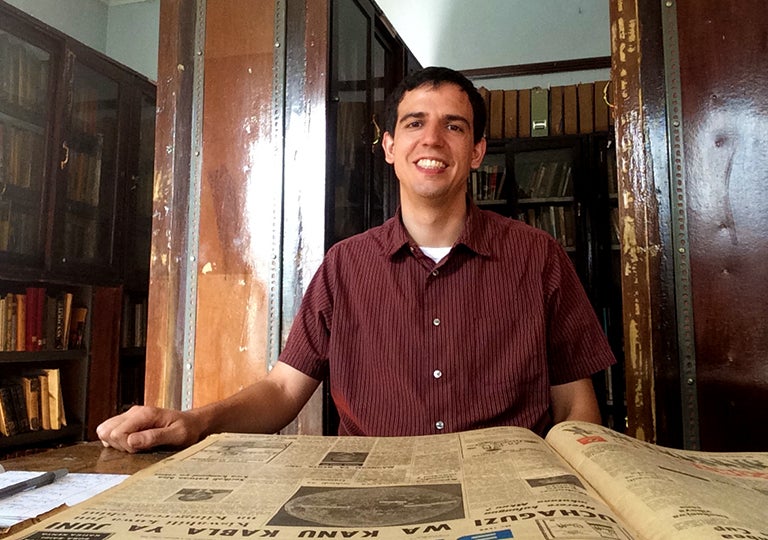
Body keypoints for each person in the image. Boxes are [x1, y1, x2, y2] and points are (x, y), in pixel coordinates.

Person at [97, 67, 615, 453]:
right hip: (372, 500)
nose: (432, 139)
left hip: (507, 497)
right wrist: (194, 422)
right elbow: (282, 390)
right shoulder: (343, 266)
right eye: (414, 123)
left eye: (454, 127)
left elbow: (575, 406)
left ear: (478, 151)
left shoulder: (536, 256)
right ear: (389, 146)